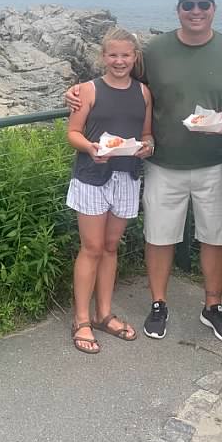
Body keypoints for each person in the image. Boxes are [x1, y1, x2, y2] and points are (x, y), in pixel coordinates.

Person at [67, 0, 222, 343]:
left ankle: (213, 306)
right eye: (189, 5)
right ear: (178, 9)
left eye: (203, 4)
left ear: (214, 8)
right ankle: (157, 304)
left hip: (216, 161)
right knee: (159, 236)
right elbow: (118, 81)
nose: (196, 11)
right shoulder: (154, 50)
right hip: (162, 163)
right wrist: (74, 90)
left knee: (216, 237)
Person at [66, 27, 154, 353]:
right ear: (103, 56)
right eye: (113, 55)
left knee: (111, 246)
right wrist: (90, 147)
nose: (119, 61)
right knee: (91, 247)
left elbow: (147, 135)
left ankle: (104, 313)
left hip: (127, 176)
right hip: (92, 175)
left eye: (125, 55)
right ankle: (81, 319)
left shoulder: (144, 93)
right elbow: (73, 133)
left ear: (135, 57)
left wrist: (147, 147)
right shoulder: (87, 90)